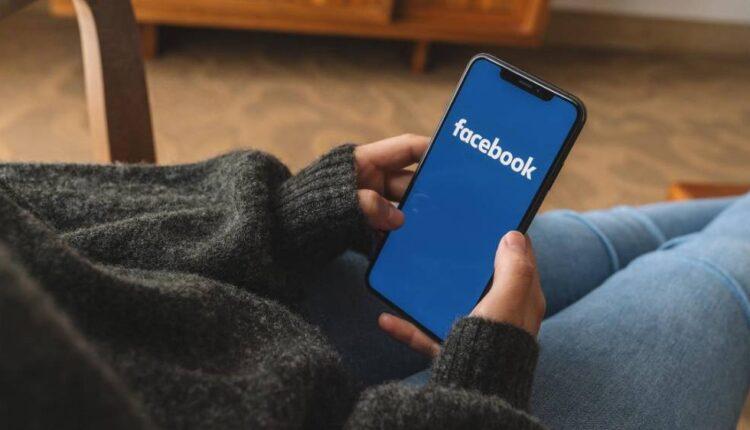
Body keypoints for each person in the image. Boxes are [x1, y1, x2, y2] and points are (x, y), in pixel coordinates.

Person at [0, 134, 747, 429]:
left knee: (608, 239)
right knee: (709, 278)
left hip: (206, 302)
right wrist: (478, 389)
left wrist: (276, 216)